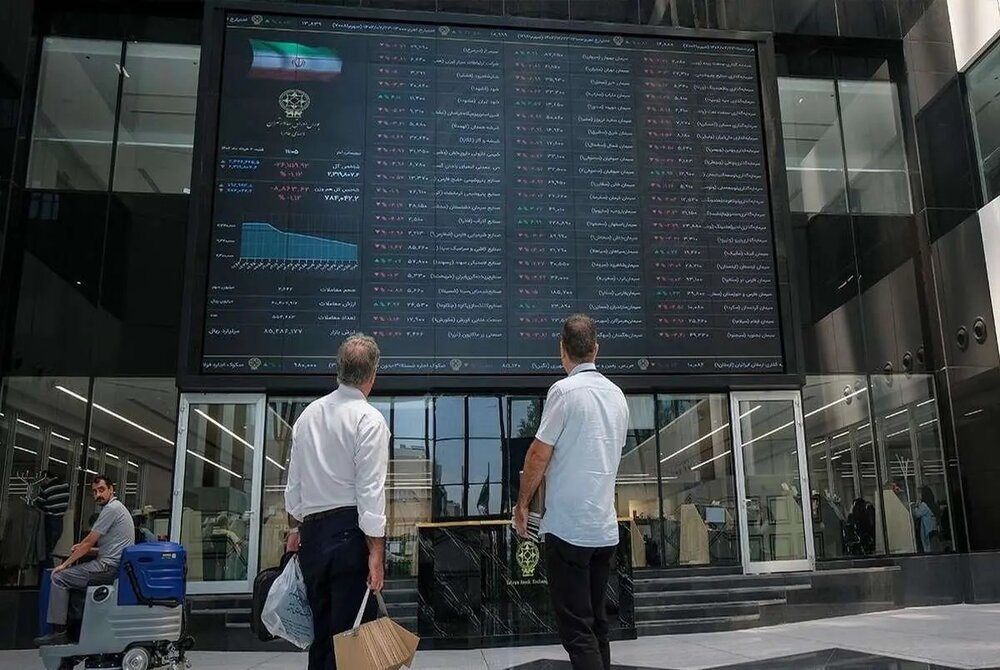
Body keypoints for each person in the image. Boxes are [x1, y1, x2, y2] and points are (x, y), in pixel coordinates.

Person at [514, 314, 629, 670]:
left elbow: (538, 455)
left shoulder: (563, 392)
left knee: (577, 632)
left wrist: (522, 505)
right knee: (597, 625)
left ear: (561, 349)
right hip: (604, 532)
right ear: (596, 350)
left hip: (568, 532)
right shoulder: (618, 396)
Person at [284, 333, 390, 670]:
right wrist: (376, 551)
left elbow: (293, 487)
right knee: (351, 642)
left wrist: (295, 530)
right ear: (372, 374)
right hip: (349, 537)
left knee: (321, 638)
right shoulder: (369, 419)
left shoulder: (307, 417)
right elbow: (370, 492)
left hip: (313, 539)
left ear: (338, 370)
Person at [34, 475, 135, 646]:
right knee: (74, 580)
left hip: (107, 567)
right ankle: (76, 630)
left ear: (111, 489)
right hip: (112, 565)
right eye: (94, 492)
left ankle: (59, 633)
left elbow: (88, 542)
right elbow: (106, 548)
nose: (98, 495)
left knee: (59, 578)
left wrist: (64, 565)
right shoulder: (118, 508)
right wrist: (83, 549)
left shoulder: (111, 509)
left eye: (102, 490)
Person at [912, 486, 941, 553]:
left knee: (928, 547)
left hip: (927, 530)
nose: (919, 496)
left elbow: (917, 514)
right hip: (934, 529)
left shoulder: (924, 505)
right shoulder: (933, 504)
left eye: (920, 493)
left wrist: (915, 506)